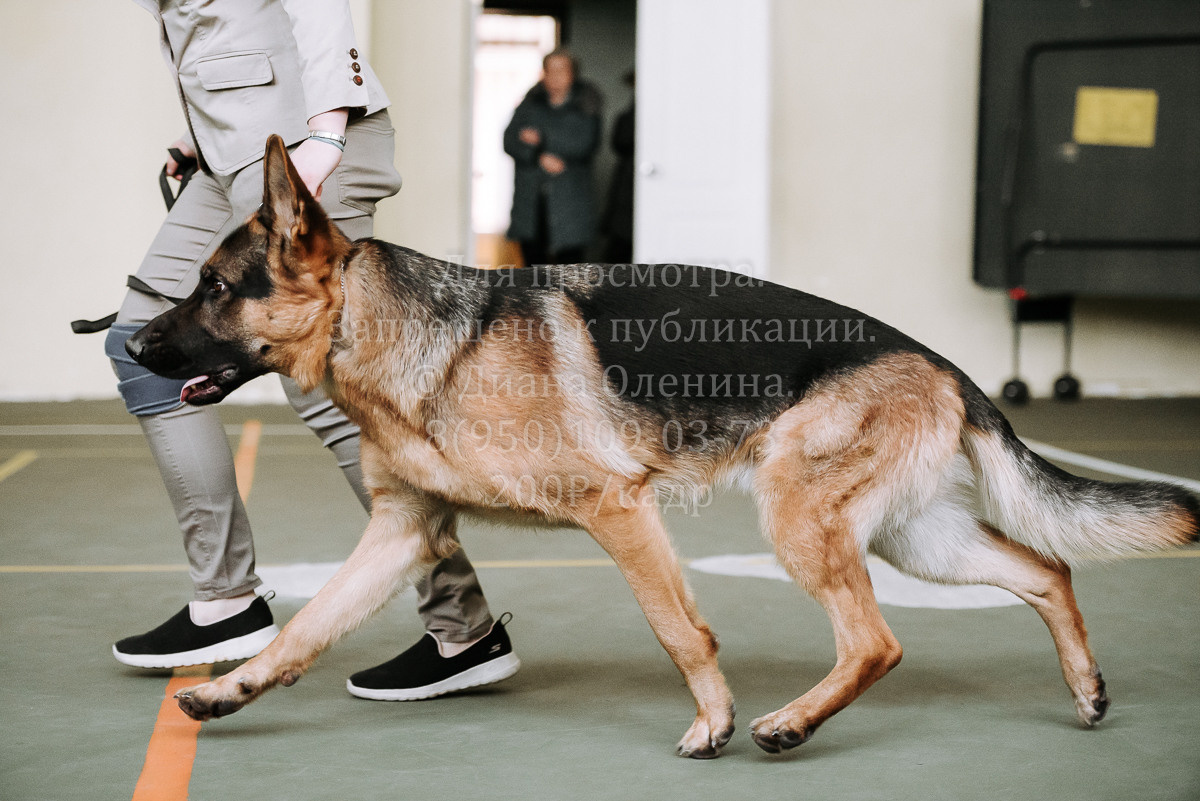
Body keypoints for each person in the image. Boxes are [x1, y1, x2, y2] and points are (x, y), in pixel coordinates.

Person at [107, 0, 519, 701]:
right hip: (228, 152)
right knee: (136, 345)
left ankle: (463, 626)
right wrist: (198, 131)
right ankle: (226, 600)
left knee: (335, 382)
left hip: (298, 143)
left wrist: (325, 136)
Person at [503, 48, 602, 266]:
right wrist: (539, 155)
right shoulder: (529, 104)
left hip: (570, 201)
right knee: (531, 270)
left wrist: (539, 138)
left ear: (573, 74)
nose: (555, 75)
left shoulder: (586, 105)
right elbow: (509, 140)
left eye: (561, 69)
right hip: (531, 201)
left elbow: (584, 144)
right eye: (550, 70)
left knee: (570, 270)